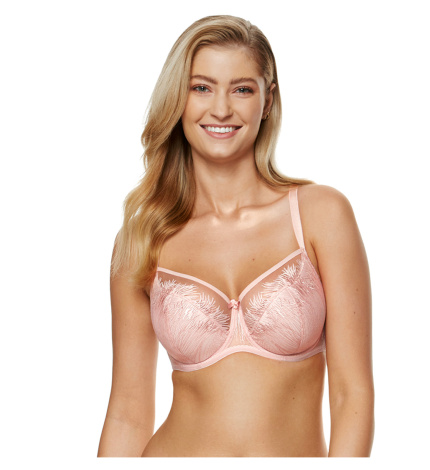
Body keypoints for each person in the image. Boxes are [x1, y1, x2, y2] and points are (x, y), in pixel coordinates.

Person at [97, 14, 374, 457]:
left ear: (267, 100)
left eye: (242, 89)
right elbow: (127, 411)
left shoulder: (320, 215)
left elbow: (351, 395)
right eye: (201, 88)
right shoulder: (142, 239)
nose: (221, 109)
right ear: (178, 99)